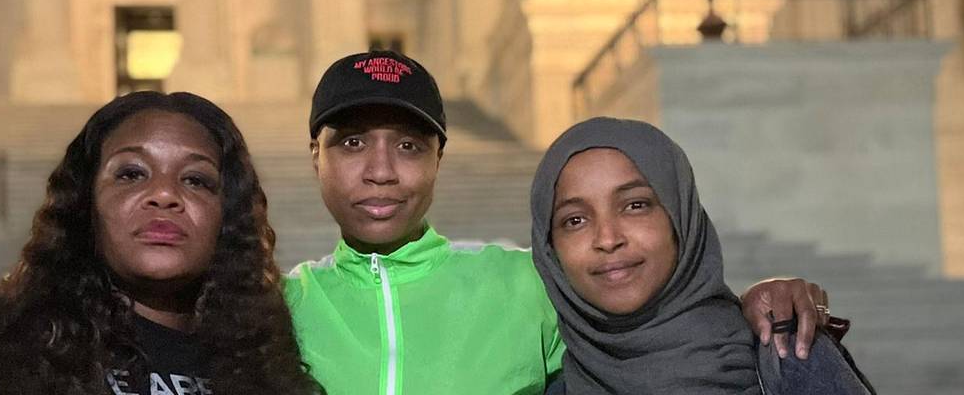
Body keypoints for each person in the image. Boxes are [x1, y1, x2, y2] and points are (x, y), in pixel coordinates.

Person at [285, 49, 832, 395]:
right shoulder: (274, 306)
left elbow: (654, 307)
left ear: (438, 160)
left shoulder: (527, 283)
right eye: (352, 143)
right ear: (315, 155)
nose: (380, 172)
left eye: (408, 145)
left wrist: (759, 299)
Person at [0, 91, 321, 395]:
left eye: (196, 180)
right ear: (85, 204)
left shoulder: (266, 370)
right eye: (132, 173)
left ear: (225, 216)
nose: (164, 194)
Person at [531, 117, 875, 394]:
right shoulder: (556, 387)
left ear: (680, 220)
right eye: (574, 220)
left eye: (635, 205)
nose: (607, 239)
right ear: (551, 250)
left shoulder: (789, 355)